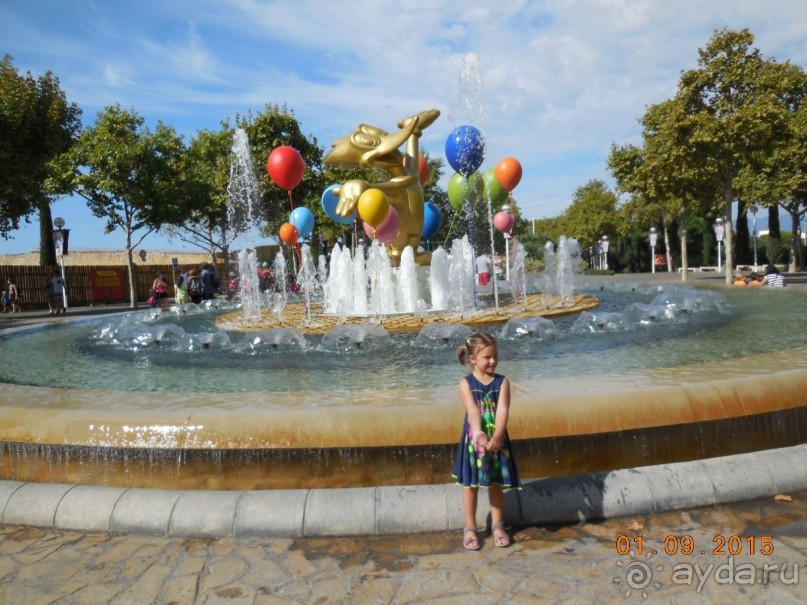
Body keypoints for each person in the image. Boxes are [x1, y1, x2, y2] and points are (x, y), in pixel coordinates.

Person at [453, 332, 521, 550]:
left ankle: (498, 526)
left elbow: (503, 410)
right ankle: (470, 527)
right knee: (470, 485)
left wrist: (498, 435)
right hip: (475, 441)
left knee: (496, 484)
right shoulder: (465, 384)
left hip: (497, 440)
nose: (492, 361)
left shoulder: (502, 382)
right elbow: (472, 411)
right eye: (487, 357)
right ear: (473, 359)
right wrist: (479, 433)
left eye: (495, 356)